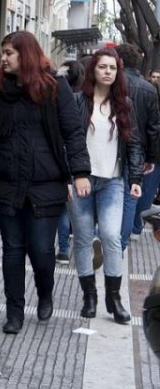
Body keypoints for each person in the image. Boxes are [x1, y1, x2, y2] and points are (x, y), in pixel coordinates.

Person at [0, 31, 91, 335]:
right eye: (3, 53)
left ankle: (45, 293)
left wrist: (80, 172)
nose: (3, 59)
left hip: (46, 183)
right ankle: (14, 312)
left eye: (9, 53)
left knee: (42, 250)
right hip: (6, 182)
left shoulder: (54, 88)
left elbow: (73, 132)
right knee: (12, 250)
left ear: (26, 55)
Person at [70, 48, 142, 323]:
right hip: (82, 181)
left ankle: (115, 299)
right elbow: (69, 142)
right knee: (84, 238)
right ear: (93, 70)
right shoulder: (78, 102)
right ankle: (90, 296)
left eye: (113, 68)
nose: (108, 72)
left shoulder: (125, 104)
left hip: (113, 181)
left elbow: (133, 144)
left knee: (112, 236)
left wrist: (135, 179)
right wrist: (72, 176)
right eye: (103, 67)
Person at [115, 44, 160, 252]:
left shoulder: (112, 84)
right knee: (129, 199)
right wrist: (150, 157)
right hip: (137, 150)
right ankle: (121, 244)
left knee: (106, 195)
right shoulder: (149, 89)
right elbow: (153, 128)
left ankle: (104, 236)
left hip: (111, 147)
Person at [54, 60, 85, 265]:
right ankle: (84, 243)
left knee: (63, 207)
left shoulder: (57, 96)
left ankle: (63, 250)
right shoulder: (84, 100)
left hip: (59, 155)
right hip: (79, 157)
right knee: (78, 205)